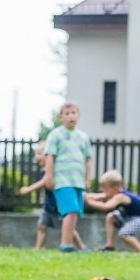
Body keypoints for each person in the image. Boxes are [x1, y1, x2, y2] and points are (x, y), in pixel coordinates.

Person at [19, 141, 87, 250]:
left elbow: (44, 182)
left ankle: (82, 247)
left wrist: (28, 189)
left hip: (58, 206)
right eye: (36, 153)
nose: (37, 157)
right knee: (42, 226)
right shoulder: (44, 170)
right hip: (48, 206)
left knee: (68, 228)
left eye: (40, 153)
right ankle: (38, 248)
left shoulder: (54, 170)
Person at [44, 102, 92, 252]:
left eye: (73, 113)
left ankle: (70, 243)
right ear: (61, 117)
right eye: (67, 113)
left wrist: (88, 178)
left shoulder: (83, 137)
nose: (71, 116)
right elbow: (50, 156)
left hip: (77, 180)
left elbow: (88, 159)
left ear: (78, 115)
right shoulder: (56, 134)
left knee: (75, 213)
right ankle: (66, 244)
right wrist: (49, 176)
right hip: (62, 180)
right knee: (69, 211)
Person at [84, 170, 140, 254]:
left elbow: (106, 207)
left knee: (124, 234)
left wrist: (89, 202)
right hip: (130, 217)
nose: (102, 191)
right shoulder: (113, 193)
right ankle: (110, 246)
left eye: (105, 188)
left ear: (115, 187)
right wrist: (84, 196)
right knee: (111, 217)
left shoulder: (120, 196)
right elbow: (97, 196)